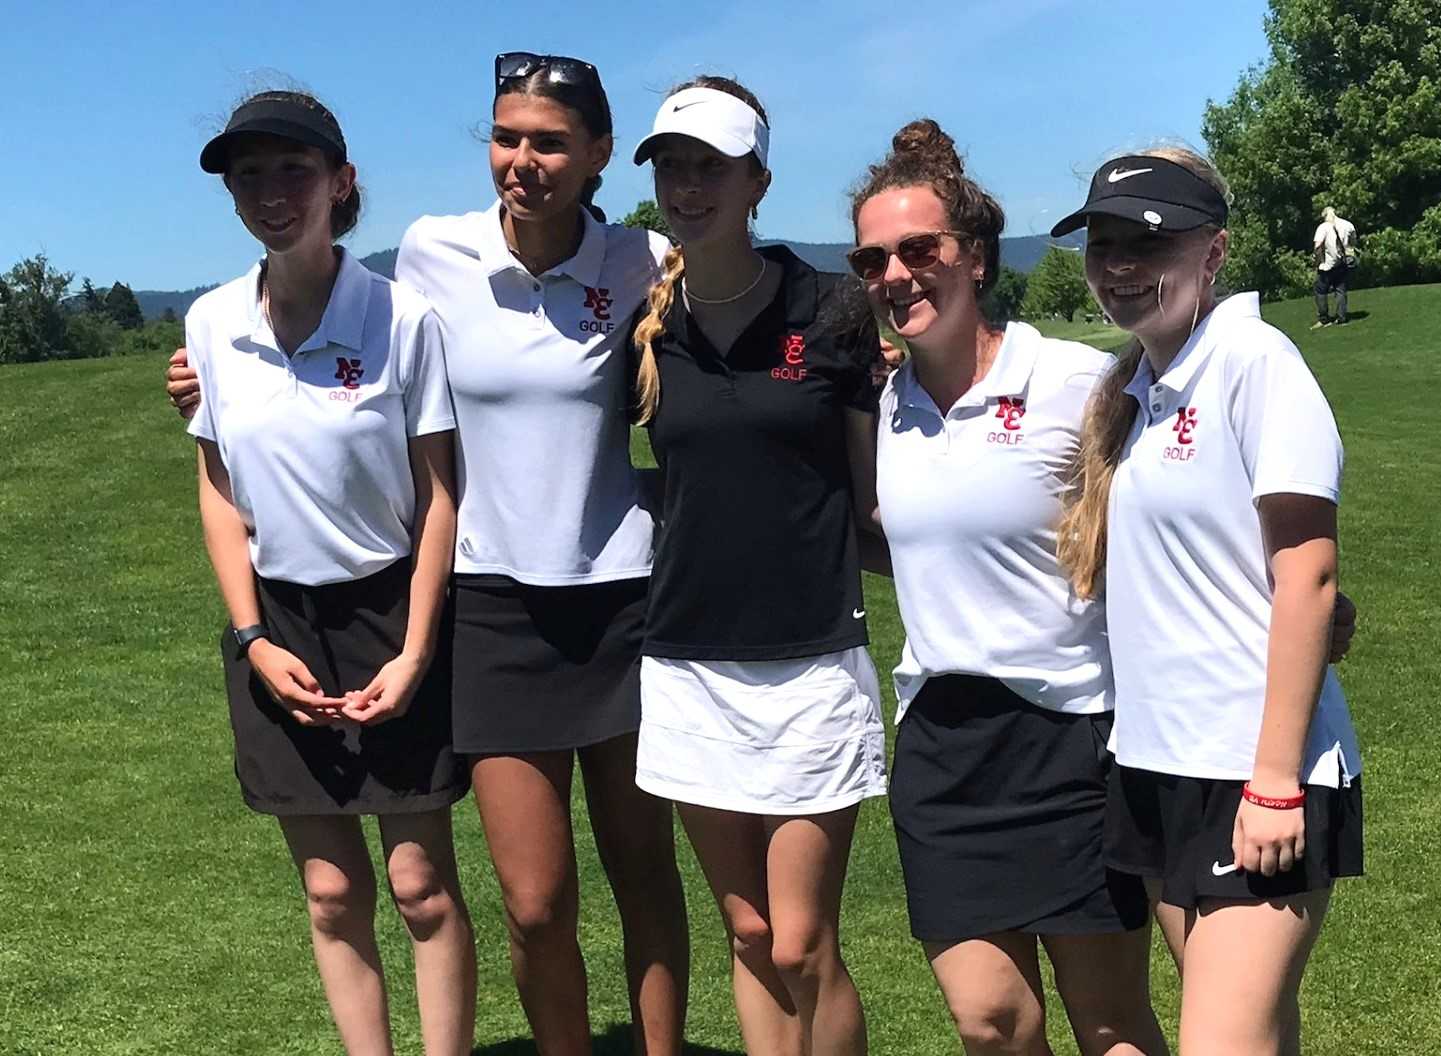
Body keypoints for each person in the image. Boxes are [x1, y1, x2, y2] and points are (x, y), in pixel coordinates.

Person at [170, 58, 690, 1056]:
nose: (521, 161)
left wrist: (859, 342)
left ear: (595, 157)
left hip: (619, 597)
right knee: (533, 904)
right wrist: (199, 388)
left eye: (547, 142)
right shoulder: (430, 254)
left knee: (643, 874)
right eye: (506, 137)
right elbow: (308, 379)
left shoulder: (642, 259)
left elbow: (731, 319)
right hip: (487, 604)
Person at [850, 119, 1168, 1056]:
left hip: (1073, 737)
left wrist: (1300, 593)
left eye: (920, 250)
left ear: (976, 258)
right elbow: (918, 546)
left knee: (1107, 1020)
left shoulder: (1081, 382)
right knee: (989, 1020)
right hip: (943, 747)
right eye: (873, 260)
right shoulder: (883, 404)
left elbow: (1182, 515)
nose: (896, 275)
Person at [1054, 148, 1364, 1055]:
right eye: (1101, 244)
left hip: (1258, 771)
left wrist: (1271, 782)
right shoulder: (1136, 390)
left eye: (1145, 243)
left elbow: (1306, 571)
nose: (1118, 266)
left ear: (1213, 251)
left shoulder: (1251, 357)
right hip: (1156, 766)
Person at [184, 90, 476, 1055]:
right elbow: (219, 491)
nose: (272, 192)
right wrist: (252, 639)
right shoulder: (213, 322)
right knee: (330, 890)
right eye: (249, 175)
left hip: (392, 612)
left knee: (419, 887)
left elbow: (441, 497)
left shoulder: (402, 318)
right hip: (274, 623)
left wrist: (418, 649)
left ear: (341, 183)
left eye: (294, 170)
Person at [628, 77, 887, 1056]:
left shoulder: (834, 310)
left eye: (711, 167)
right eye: (673, 167)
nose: (688, 186)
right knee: (746, 933)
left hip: (813, 658)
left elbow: (876, 500)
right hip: (689, 661)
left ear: (757, 181)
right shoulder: (647, 328)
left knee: (803, 938)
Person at [1312, 205, 1357, 327]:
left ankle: (1323, 318)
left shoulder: (1323, 227)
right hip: (1342, 263)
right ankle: (1342, 318)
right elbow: (1353, 242)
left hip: (1327, 265)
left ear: (1325, 216)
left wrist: (1316, 262)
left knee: (1320, 291)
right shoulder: (1348, 225)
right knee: (1340, 290)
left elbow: (1317, 246)